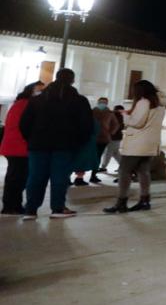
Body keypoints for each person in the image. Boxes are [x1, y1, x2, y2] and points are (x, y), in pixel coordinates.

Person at [21, 68, 94, 220]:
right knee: (60, 177)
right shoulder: (79, 100)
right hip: (65, 146)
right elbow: (87, 126)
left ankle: (30, 210)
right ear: (72, 80)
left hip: (38, 145)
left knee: (35, 177)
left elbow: (25, 123)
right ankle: (57, 208)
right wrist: (78, 142)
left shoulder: (38, 100)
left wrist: (32, 139)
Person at [104, 80, 166, 213]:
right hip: (151, 143)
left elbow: (137, 123)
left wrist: (125, 116)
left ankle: (121, 202)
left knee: (124, 171)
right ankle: (144, 200)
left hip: (137, 143)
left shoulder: (144, 102)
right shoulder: (160, 104)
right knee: (143, 171)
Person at [2, 82, 43, 215]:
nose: (41, 93)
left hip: (15, 146)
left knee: (17, 177)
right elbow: (27, 126)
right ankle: (10, 206)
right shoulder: (27, 104)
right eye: (39, 90)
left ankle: (14, 205)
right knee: (17, 178)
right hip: (19, 146)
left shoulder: (19, 103)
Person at [99, 104, 125, 175]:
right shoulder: (121, 117)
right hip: (117, 138)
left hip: (112, 138)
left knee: (108, 152)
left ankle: (103, 167)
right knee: (115, 153)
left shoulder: (114, 116)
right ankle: (123, 166)